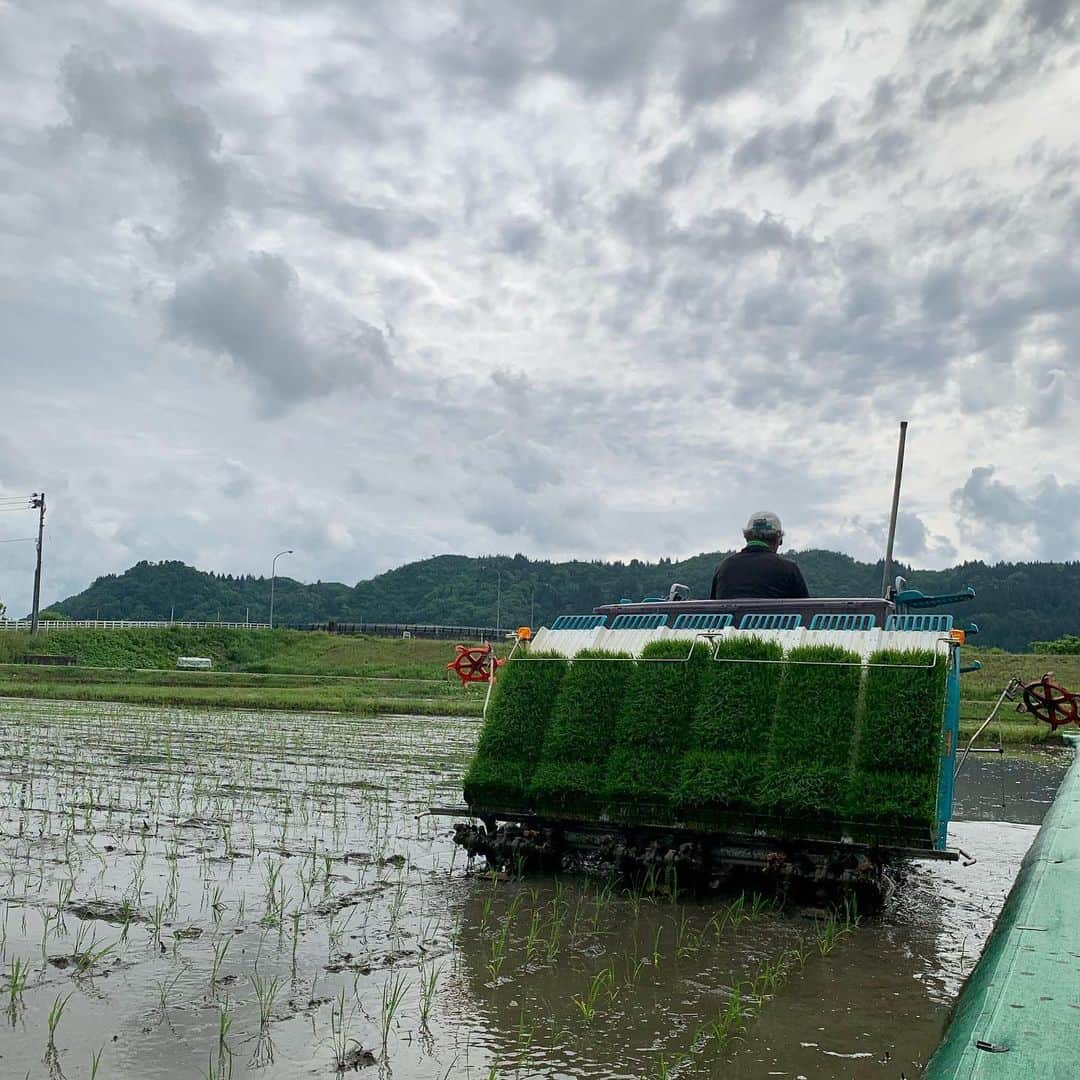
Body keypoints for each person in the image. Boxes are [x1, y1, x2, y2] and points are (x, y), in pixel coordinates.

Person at [710, 511, 809, 600]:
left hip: (732, 621)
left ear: (746, 537)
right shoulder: (788, 568)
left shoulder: (723, 567)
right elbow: (806, 610)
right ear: (777, 539)